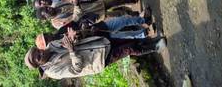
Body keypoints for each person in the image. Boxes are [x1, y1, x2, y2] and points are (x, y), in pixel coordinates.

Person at [24, 31, 165, 79]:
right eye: (38, 57)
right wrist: (72, 50)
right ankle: (155, 47)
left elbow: (67, 41)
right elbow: (76, 69)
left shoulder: (51, 46)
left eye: (38, 51)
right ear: (39, 64)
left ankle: (152, 40)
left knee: (127, 41)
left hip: (94, 44)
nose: (40, 53)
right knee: (128, 49)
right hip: (97, 59)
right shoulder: (53, 71)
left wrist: (73, 36)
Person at [36, 0, 139, 29]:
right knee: (117, 14)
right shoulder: (57, 23)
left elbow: (69, 0)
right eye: (46, 11)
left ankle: (133, 0)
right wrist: (76, 5)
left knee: (115, 1)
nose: (48, 8)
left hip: (91, 6)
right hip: (92, 17)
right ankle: (136, 15)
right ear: (46, 18)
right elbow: (75, 21)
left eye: (46, 7)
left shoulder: (56, 4)